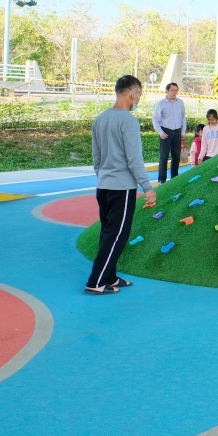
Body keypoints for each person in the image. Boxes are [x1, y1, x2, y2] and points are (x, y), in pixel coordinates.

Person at [85, 75, 157, 295]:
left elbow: (96, 156)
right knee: (117, 235)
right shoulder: (128, 121)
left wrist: (103, 175)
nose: (139, 99)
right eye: (140, 95)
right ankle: (96, 281)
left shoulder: (100, 118)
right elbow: (134, 159)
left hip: (104, 185)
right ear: (133, 94)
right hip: (121, 188)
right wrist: (147, 187)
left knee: (108, 232)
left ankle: (110, 276)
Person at [153, 82, 187, 185]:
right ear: (167, 91)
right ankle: (161, 180)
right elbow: (155, 119)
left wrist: (183, 131)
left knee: (176, 157)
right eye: (172, 90)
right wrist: (160, 132)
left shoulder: (180, 102)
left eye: (176, 90)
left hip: (177, 131)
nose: (174, 93)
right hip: (165, 131)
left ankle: (174, 179)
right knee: (164, 157)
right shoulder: (161, 104)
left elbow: (183, 117)